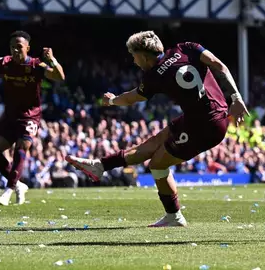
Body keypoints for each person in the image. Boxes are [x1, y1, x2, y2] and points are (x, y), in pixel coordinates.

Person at [66, 31, 248, 227]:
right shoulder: (187, 47)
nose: (134, 62)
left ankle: (174, 216)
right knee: (154, 143)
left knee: (157, 164)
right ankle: (100, 165)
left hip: (205, 126)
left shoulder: (154, 76)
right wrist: (236, 98)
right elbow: (220, 66)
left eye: (134, 56)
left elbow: (132, 98)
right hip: (201, 118)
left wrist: (112, 101)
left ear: (144, 56)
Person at [0, 31, 65, 205]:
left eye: (19, 47)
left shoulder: (36, 65)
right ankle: (18, 185)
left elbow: (59, 76)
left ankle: (8, 190)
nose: (15, 51)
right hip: (10, 115)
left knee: (21, 148)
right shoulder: (4, 63)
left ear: (28, 48)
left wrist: (52, 60)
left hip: (29, 116)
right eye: (12, 47)